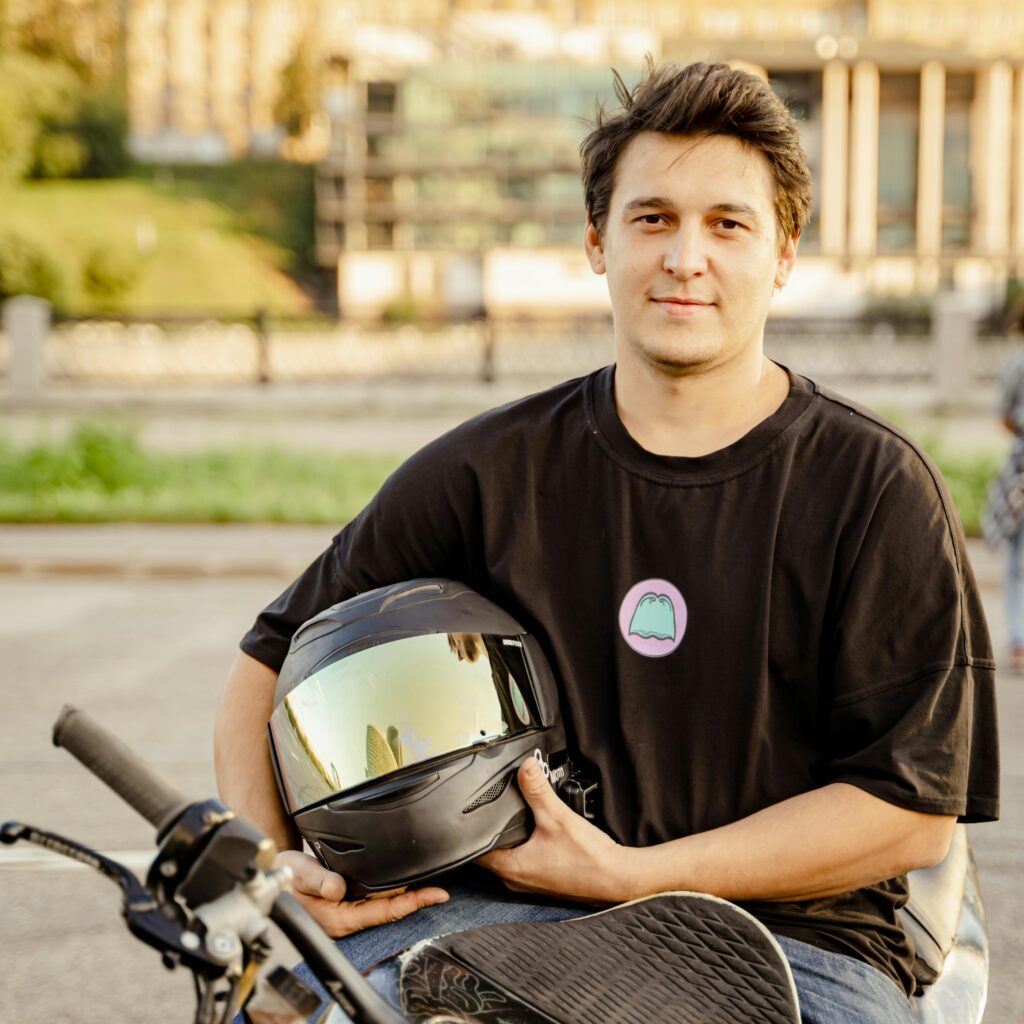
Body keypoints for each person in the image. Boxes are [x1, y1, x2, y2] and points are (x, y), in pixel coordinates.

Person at [215, 60, 999, 1023]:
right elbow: (266, 664)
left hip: (799, 941)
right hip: (510, 915)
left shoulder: (876, 489)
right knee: (279, 1003)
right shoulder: (485, 469)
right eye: (653, 218)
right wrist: (276, 875)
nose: (685, 257)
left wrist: (631, 876)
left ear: (785, 253)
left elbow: (911, 811)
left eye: (728, 223)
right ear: (598, 241)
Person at [983, 301, 1024, 673]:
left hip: (1022, 466)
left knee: (1017, 561)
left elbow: (1006, 417)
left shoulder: (1017, 362)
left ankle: (1019, 641)